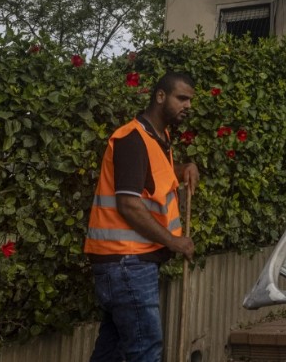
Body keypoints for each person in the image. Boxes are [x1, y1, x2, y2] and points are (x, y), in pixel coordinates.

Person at [84, 72, 200, 362]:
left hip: (125, 264)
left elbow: (149, 181)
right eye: (181, 98)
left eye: (190, 100)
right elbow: (129, 205)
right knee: (145, 349)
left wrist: (184, 168)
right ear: (160, 96)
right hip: (127, 264)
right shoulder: (132, 139)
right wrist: (175, 242)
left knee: (112, 351)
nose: (187, 105)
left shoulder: (159, 138)